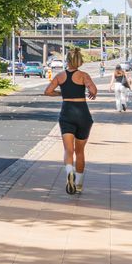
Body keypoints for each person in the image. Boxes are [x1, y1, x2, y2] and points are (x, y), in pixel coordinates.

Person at [44, 46, 97, 195]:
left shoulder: (60, 76)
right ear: (79, 61)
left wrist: (62, 92)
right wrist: (90, 93)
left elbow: (47, 91)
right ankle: (79, 184)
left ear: (67, 60)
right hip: (82, 113)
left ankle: (69, 171)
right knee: (80, 151)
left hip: (67, 112)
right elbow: (93, 90)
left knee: (69, 150)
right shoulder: (84, 75)